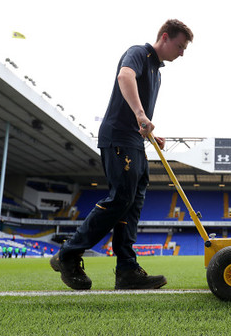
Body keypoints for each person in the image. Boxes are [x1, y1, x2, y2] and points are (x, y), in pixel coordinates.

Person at [51, 19, 193, 290]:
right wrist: (141, 115)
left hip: (134, 142)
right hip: (117, 137)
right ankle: (68, 254)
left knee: (133, 203)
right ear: (165, 37)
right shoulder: (139, 53)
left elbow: (137, 111)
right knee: (121, 198)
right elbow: (124, 77)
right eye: (180, 46)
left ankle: (127, 269)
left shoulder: (157, 72)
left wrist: (149, 131)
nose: (182, 53)